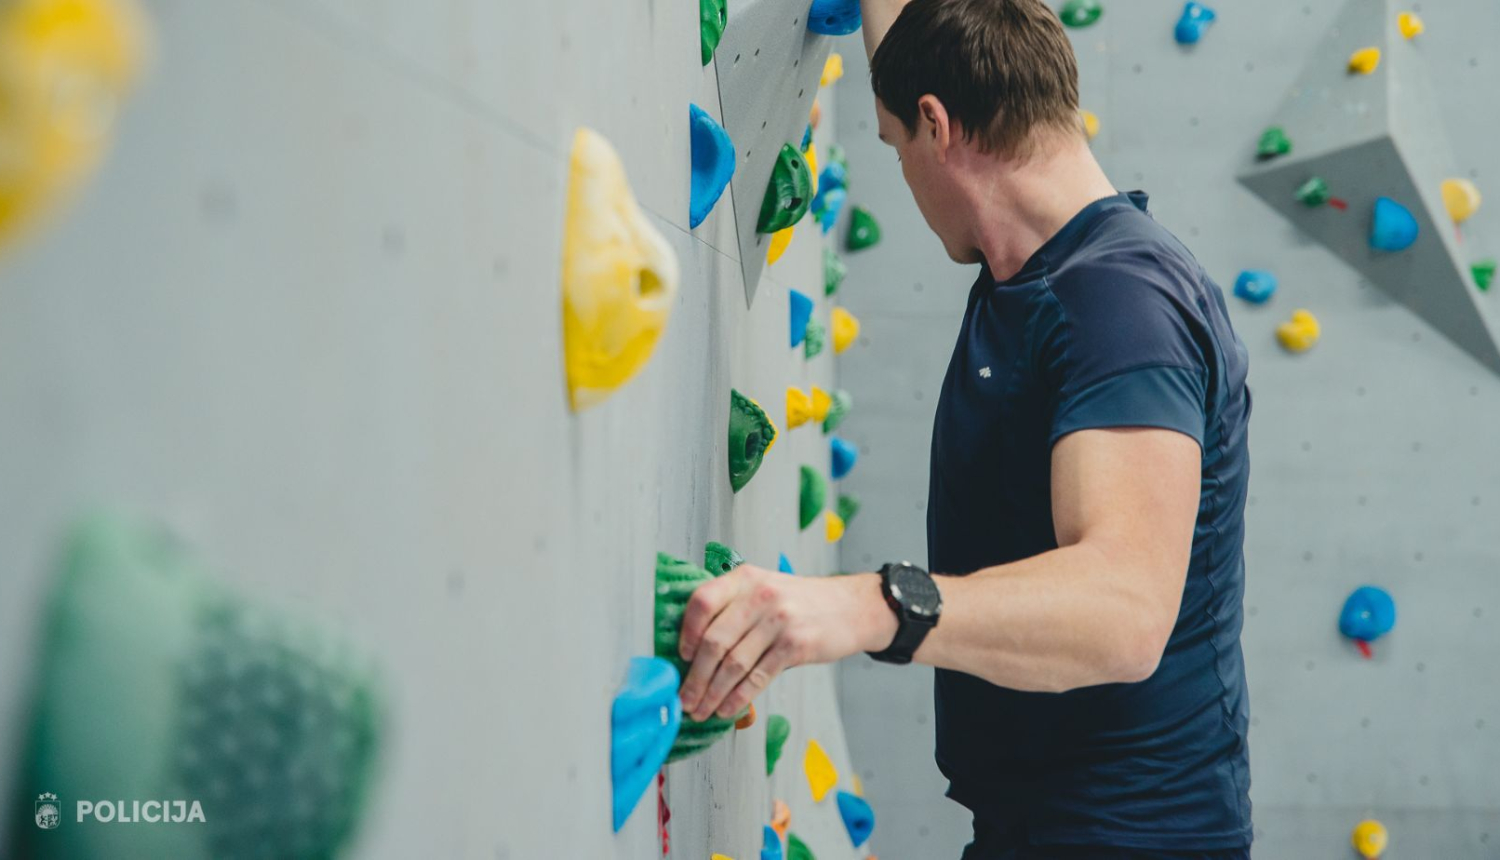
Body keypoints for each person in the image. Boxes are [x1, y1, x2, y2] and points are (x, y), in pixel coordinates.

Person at [675, 0, 1253, 855]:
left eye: (894, 144)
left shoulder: (1119, 304)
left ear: (938, 126)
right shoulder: (1042, 263)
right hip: (1049, 827)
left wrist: (870, 608)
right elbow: (918, 53)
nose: (902, 168)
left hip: (1130, 838)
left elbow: (1125, 610)